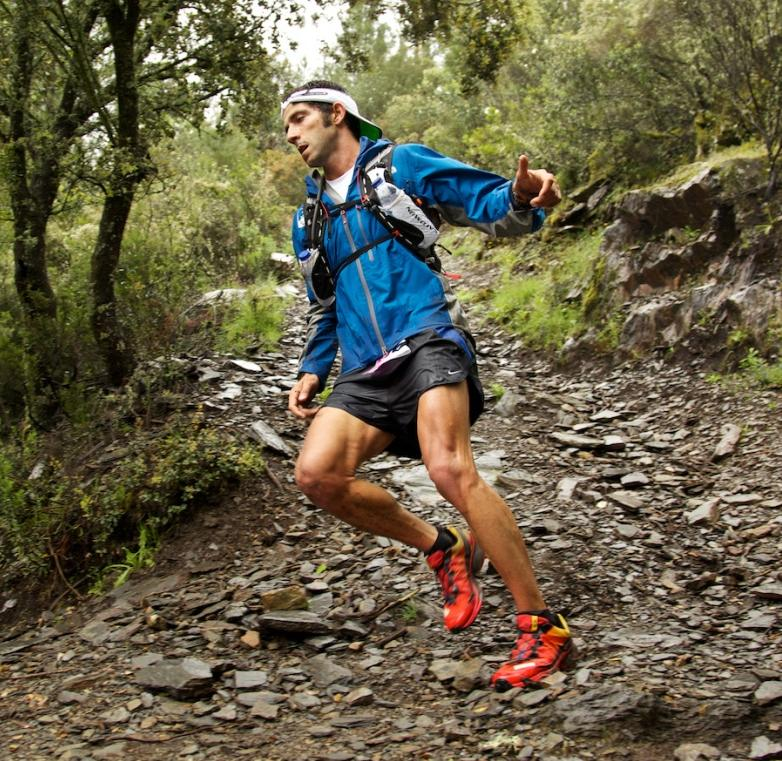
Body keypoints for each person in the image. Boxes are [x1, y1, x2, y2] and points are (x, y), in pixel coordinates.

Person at [282, 80, 574, 691]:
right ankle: (441, 546)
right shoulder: (307, 221)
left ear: (338, 114)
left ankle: (541, 626)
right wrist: (315, 366)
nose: (291, 134)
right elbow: (327, 305)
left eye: (300, 119)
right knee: (316, 474)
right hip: (364, 366)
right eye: (287, 126)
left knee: (448, 468)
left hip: (425, 338)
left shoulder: (400, 165)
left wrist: (521, 197)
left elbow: (488, 200)